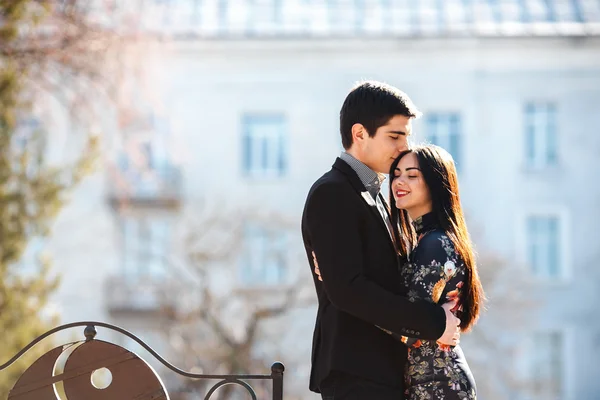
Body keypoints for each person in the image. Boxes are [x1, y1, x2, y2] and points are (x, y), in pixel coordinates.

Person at [301, 81, 461, 400]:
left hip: (380, 371)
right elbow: (349, 289)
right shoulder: (333, 192)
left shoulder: (375, 194)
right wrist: (433, 323)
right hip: (357, 370)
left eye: (407, 136)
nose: (404, 146)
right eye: (395, 135)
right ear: (360, 134)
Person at [388, 145, 484, 399]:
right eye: (396, 174)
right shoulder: (427, 240)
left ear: (436, 183)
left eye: (412, 175)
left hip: (438, 386)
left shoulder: (435, 244)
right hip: (429, 383)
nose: (399, 181)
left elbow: (405, 322)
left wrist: (343, 283)